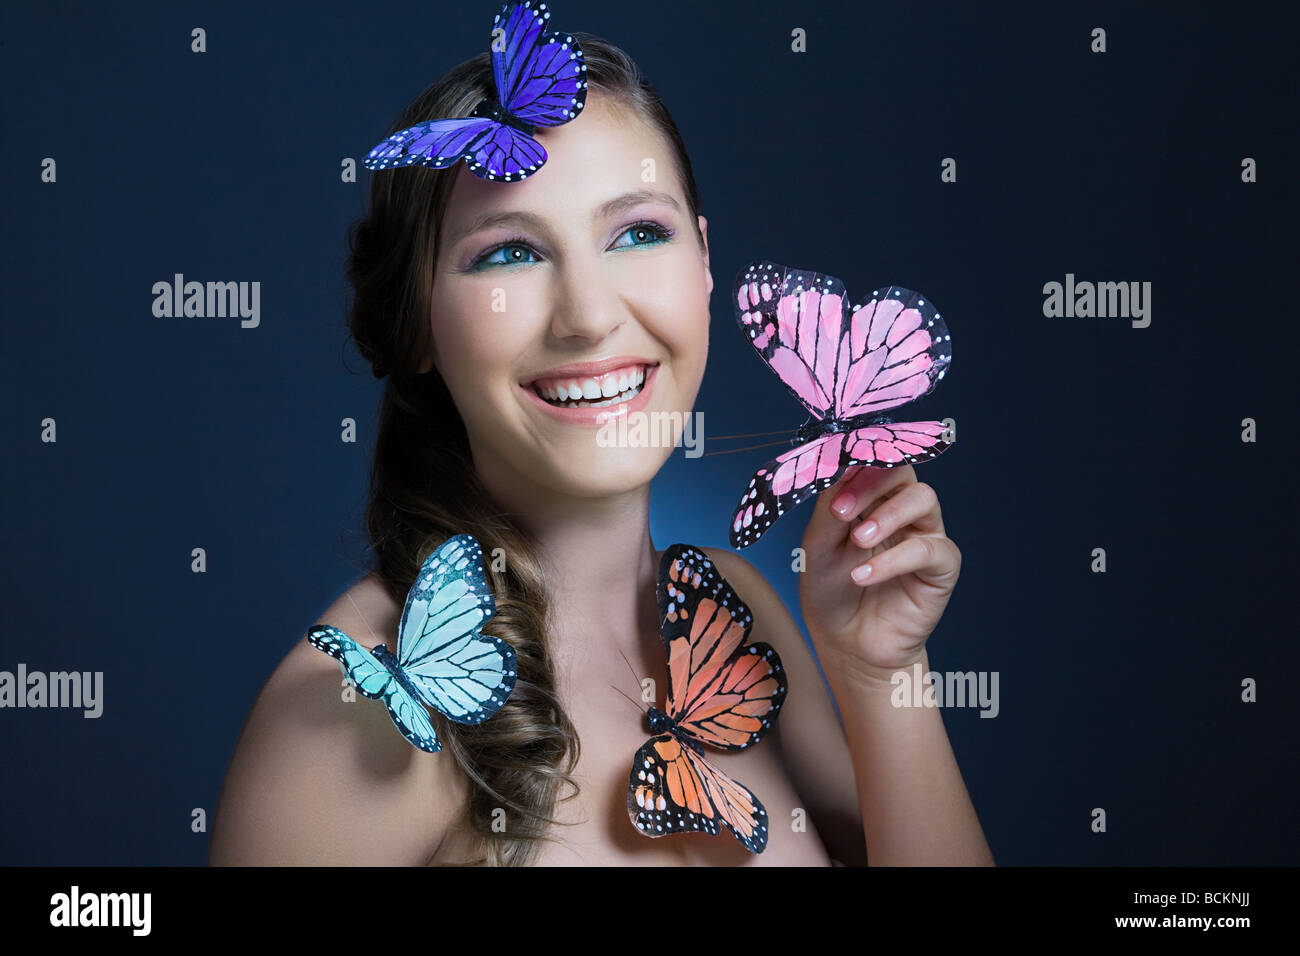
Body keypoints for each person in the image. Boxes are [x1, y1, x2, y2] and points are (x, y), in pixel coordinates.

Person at [208, 34, 993, 867]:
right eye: (509, 253)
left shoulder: (736, 609)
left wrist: (882, 676)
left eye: (638, 233)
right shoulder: (356, 713)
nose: (587, 316)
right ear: (418, 320)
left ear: (704, 261)